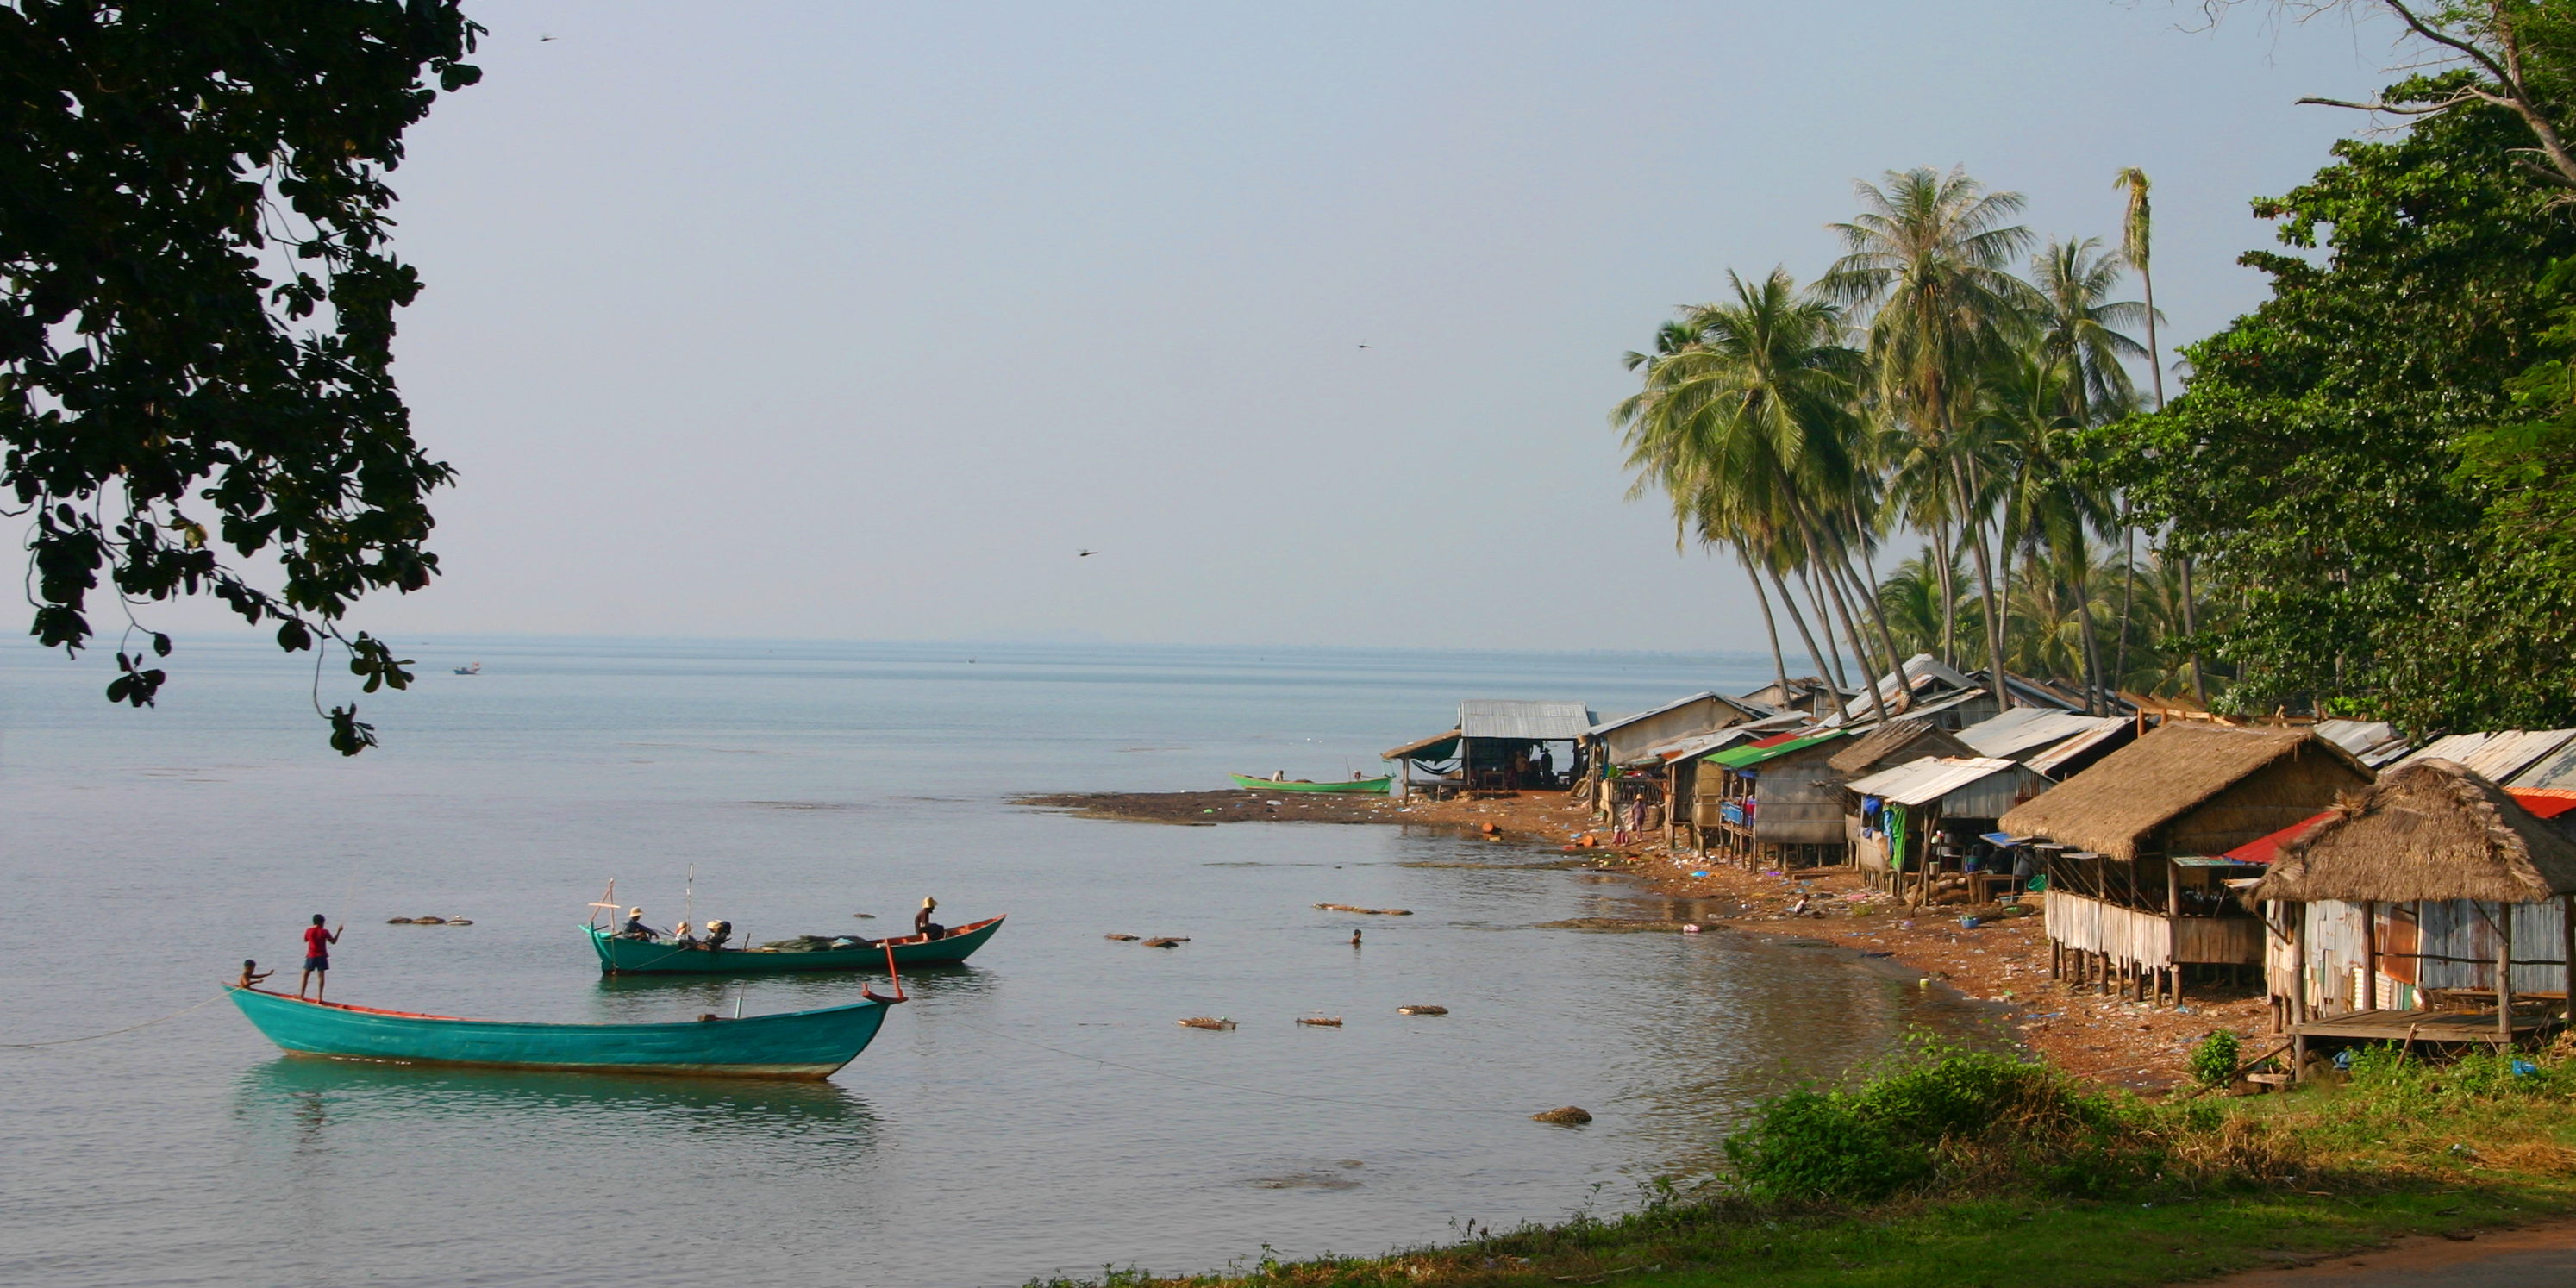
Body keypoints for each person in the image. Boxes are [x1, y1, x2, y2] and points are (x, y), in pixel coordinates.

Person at [298, 915, 341, 1000]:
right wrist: (339, 931)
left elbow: (305, 940)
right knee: (321, 976)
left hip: (311, 956)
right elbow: (333, 942)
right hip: (322, 956)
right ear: (321, 922)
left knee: (305, 975)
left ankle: (302, 995)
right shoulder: (324, 931)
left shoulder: (309, 931)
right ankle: (319, 996)